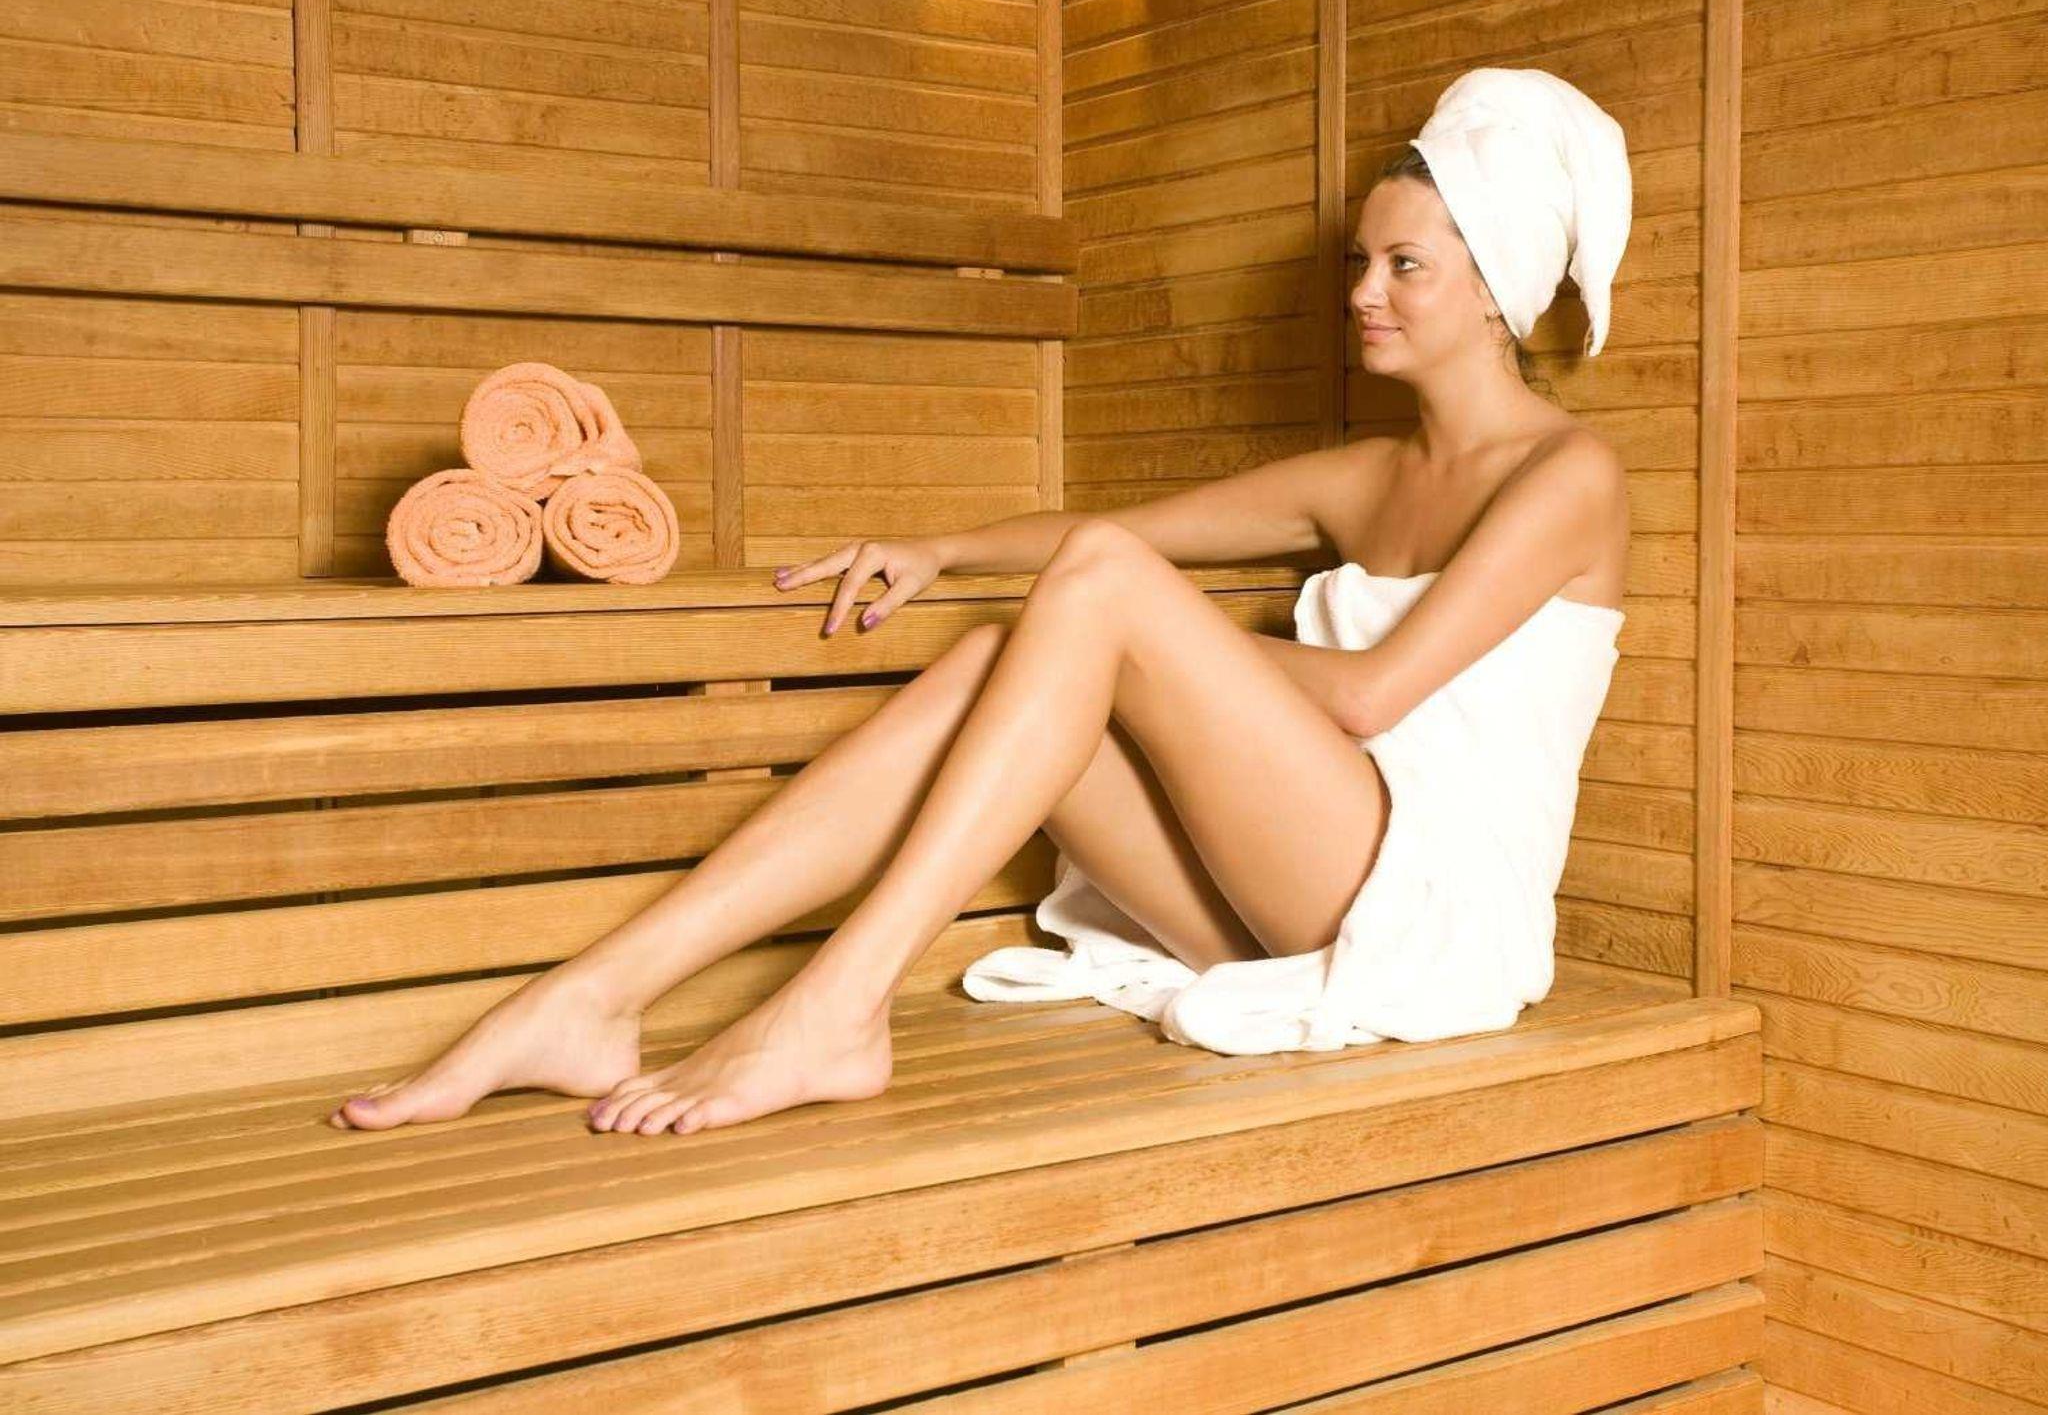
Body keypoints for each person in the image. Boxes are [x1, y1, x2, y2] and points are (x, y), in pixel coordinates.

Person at [330, 65, 1634, 1136]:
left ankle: (838, 1004)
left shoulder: (1569, 477)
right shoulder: (1368, 473)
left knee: (1094, 599)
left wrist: (1127, 634)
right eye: (1361, 259)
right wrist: (940, 547)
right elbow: (1114, 538)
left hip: (1433, 911)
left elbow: (1368, 695)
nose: (1361, 292)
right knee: (995, 655)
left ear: (1494, 282)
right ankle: (595, 994)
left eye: (1404, 265)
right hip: (1286, 900)